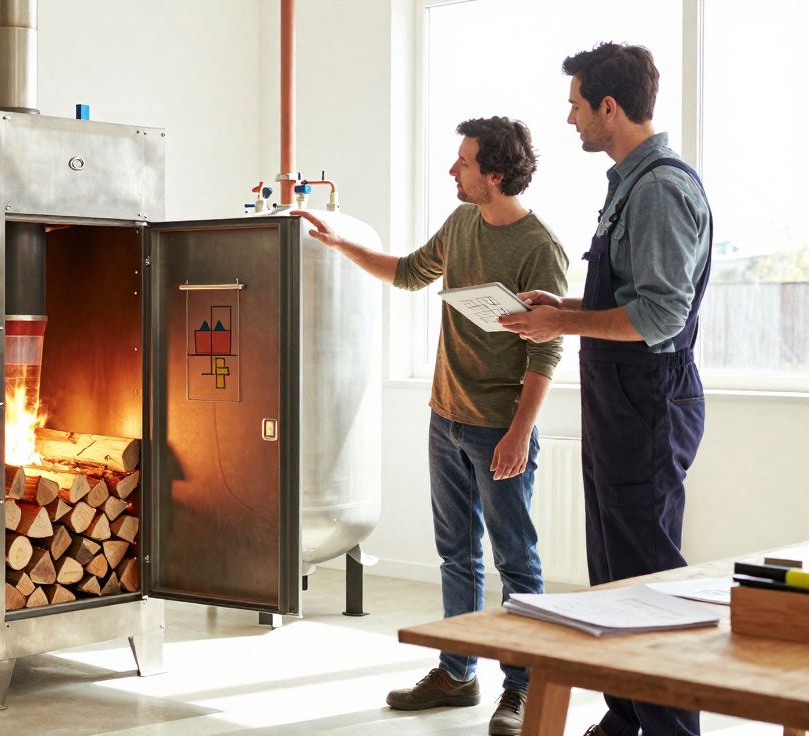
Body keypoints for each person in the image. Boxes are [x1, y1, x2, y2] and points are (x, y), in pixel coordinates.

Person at [295, 116, 568, 736]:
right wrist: (340, 244)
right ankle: (457, 673)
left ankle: (524, 687)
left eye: (464, 163)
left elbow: (546, 351)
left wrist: (519, 433)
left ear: (494, 174)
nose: (453, 170)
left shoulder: (540, 248)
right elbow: (409, 271)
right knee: (457, 555)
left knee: (517, 560)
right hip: (446, 417)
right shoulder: (462, 223)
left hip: (499, 427)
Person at [498, 43, 712, 736]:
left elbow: (658, 316)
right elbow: (628, 295)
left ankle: (671, 729)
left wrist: (563, 321)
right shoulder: (629, 184)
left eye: (576, 105)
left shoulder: (660, 189)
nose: (570, 119)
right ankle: (626, 719)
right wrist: (561, 303)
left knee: (648, 582)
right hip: (619, 402)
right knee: (616, 576)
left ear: (609, 108)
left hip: (648, 403)